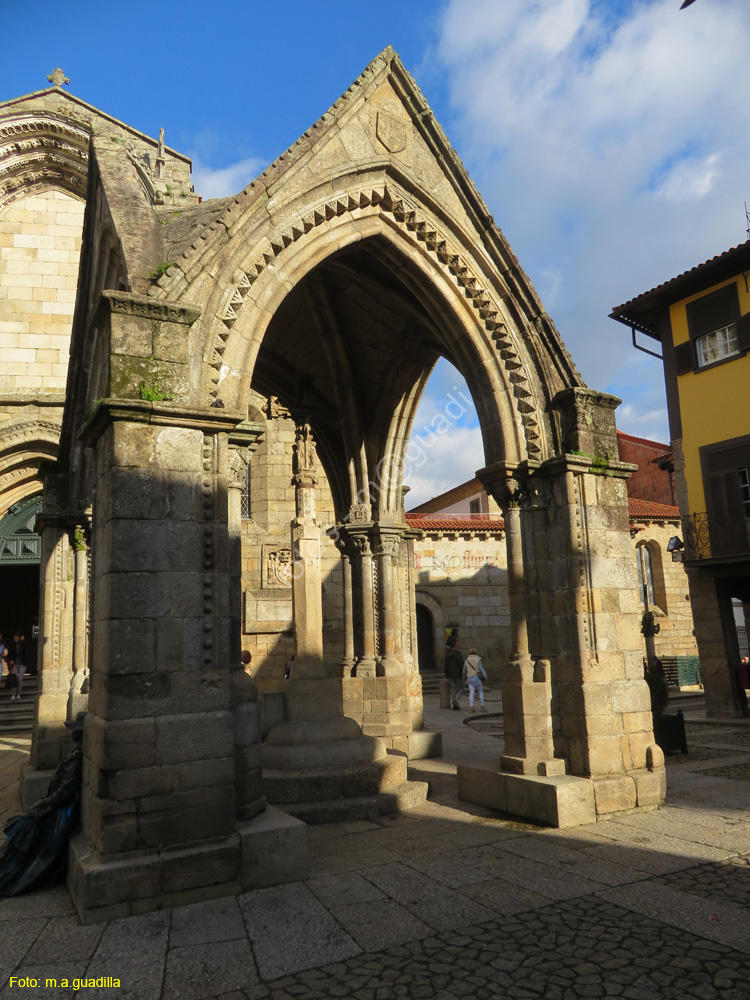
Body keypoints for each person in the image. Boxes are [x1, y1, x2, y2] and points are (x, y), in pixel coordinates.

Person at [463, 647, 488, 711]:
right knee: (480, 692)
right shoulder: (477, 659)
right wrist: (485, 676)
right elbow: (481, 669)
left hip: (469, 678)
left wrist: (463, 678)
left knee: (471, 693)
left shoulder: (467, 660)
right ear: (475, 652)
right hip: (477, 677)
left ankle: (471, 707)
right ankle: (482, 706)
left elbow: (464, 671)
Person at [8, 633, 29, 702]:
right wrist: (10, 660)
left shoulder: (23, 644)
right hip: (14, 664)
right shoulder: (12, 645)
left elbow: (26, 649)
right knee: (13, 679)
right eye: (15, 638)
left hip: (22, 663)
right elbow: (10, 654)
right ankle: (13, 695)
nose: (16, 640)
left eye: (17, 638)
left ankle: (18, 694)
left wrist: (23, 641)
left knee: (20, 679)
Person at [444, 640, 464, 710]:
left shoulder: (447, 655)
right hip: (458, 674)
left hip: (450, 675)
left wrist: (447, 674)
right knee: (461, 689)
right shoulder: (457, 655)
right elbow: (461, 665)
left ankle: (454, 703)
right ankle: (456, 701)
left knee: (454, 689)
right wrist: (463, 674)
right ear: (455, 646)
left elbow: (445, 666)